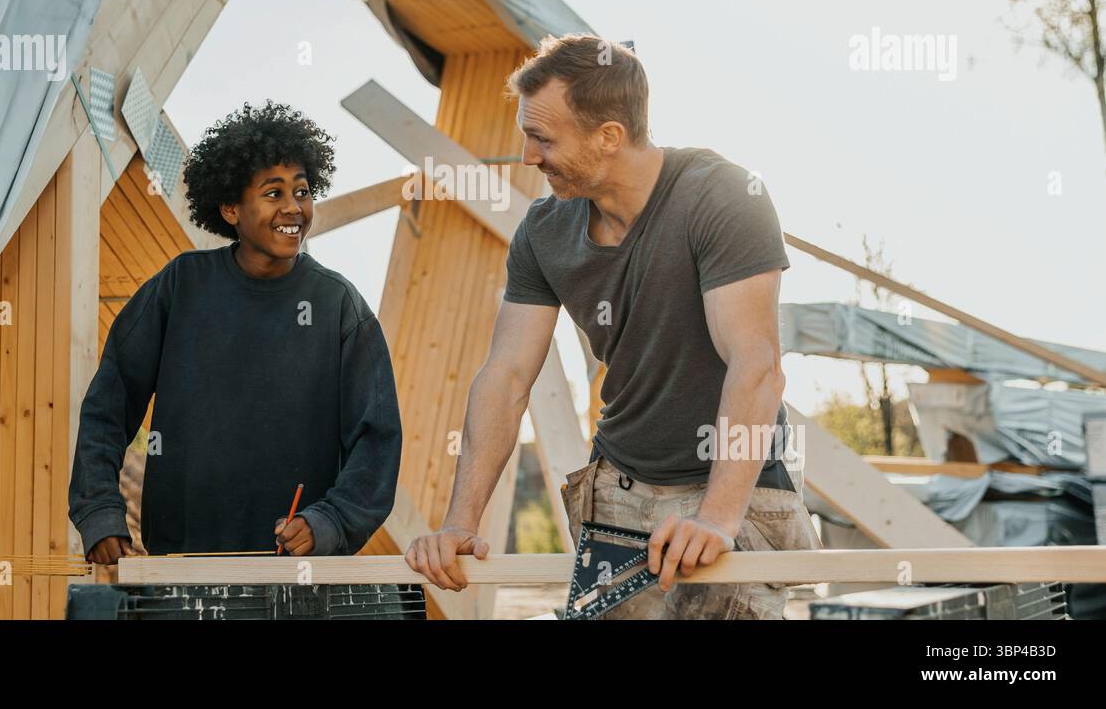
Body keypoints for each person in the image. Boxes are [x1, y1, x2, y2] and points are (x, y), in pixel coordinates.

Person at [404, 35, 820, 619]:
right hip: (618, 492)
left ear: (608, 137)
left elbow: (756, 364)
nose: (527, 155)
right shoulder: (543, 232)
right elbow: (506, 375)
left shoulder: (721, 195)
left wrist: (717, 518)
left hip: (733, 491)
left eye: (542, 138)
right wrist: (459, 523)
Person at [69, 100, 402, 563]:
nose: (294, 208)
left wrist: (331, 521)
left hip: (296, 581)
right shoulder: (179, 287)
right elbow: (109, 403)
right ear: (229, 208)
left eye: (302, 191)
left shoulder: (339, 307)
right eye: (273, 193)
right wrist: (100, 512)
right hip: (181, 574)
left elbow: (377, 439)